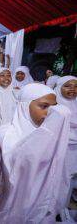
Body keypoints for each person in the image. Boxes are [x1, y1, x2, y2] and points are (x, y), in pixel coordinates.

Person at [0, 83, 71, 223]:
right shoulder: (7, 133)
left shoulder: (52, 134)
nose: (50, 113)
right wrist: (47, 134)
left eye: (54, 108)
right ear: (24, 106)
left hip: (43, 206)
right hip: (13, 206)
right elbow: (19, 164)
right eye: (44, 106)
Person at [55, 76, 77, 220]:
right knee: (59, 180)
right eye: (68, 86)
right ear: (59, 87)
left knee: (69, 181)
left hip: (74, 151)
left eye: (75, 87)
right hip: (59, 149)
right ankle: (55, 210)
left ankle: (63, 208)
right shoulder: (53, 106)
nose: (73, 90)